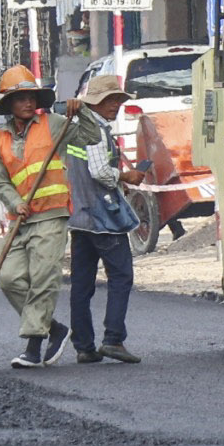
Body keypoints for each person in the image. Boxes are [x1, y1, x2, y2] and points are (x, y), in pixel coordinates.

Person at [0, 65, 72, 369]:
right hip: (20, 221)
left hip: (51, 214)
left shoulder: (55, 123)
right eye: (20, 97)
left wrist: (81, 112)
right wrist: (14, 201)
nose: (27, 102)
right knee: (9, 279)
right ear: (9, 104)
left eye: (30, 96)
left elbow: (88, 135)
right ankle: (56, 329)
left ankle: (34, 346)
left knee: (42, 278)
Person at [61, 73, 146, 364]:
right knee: (121, 276)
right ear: (95, 103)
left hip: (79, 217)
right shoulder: (95, 131)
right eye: (109, 100)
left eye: (118, 100)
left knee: (81, 284)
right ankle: (113, 339)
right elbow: (99, 172)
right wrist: (126, 175)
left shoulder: (74, 129)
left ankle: (84, 346)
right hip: (102, 217)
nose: (116, 105)